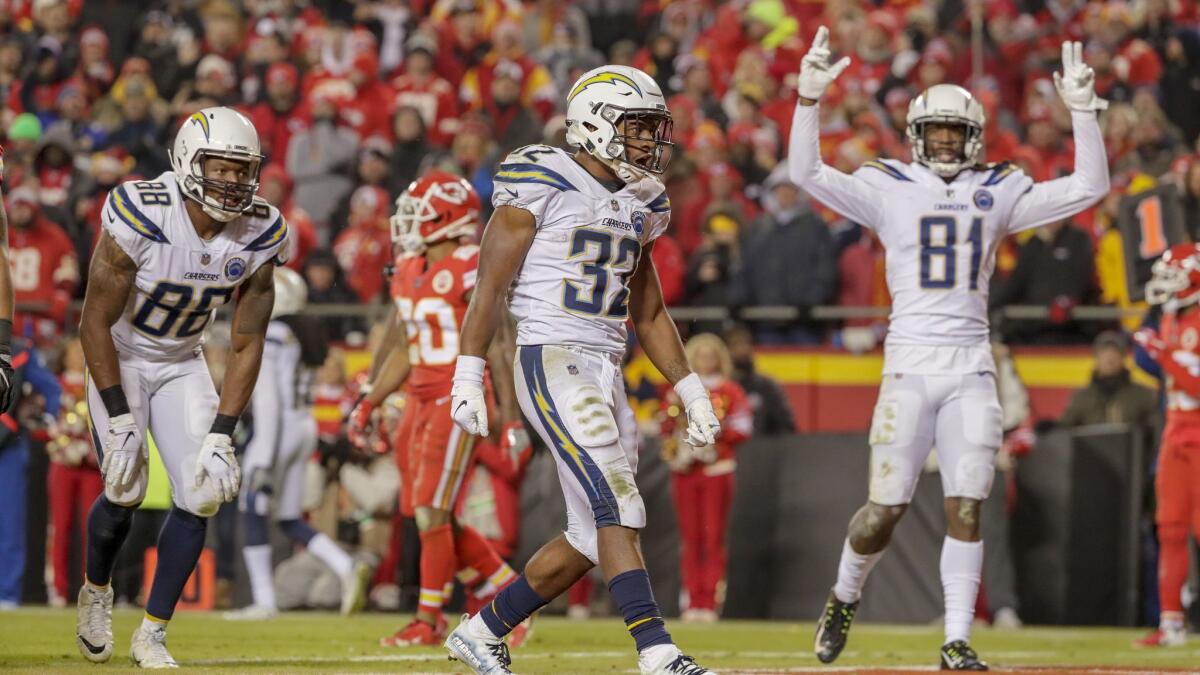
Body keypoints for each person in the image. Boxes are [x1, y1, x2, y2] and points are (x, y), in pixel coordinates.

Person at [790, 29, 1110, 670]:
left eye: (952, 133)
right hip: (908, 366)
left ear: (974, 137)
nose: (943, 143)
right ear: (915, 134)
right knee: (883, 512)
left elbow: (1087, 188)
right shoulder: (889, 185)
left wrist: (1083, 112)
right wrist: (807, 101)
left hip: (971, 367)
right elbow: (806, 172)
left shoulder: (998, 186)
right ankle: (844, 594)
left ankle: (956, 638)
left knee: (967, 502)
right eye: (934, 132)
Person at [443, 65, 722, 675]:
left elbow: (647, 310)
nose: (650, 142)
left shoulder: (646, 200)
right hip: (551, 355)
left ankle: (484, 630)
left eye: (654, 130)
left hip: (605, 366)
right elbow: (489, 288)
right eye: (638, 128)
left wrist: (690, 387)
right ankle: (656, 649)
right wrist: (468, 374)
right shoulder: (543, 174)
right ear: (595, 125)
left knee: (594, 534)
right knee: (620, 504)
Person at [74, 107, 287, 668]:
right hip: (120, 355)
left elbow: (246, 341)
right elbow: (92, 322)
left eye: (245, 171)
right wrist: (119, 415)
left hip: (182, 361)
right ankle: (96, 591)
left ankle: (153, 632)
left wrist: (224, 432)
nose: (235, 182)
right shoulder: (143, 211)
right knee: (124, 486)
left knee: (204, 491)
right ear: (188, 160)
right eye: (223, 167)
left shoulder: (261, 229)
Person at [347, 171, 524, 648]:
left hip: (458, 394)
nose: (406, 223)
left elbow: (500, 341)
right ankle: (508, 592)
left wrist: (509, 416)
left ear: (447, 218)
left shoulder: (471, 264)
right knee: (423, 510)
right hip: (420, 397)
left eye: (417, 213)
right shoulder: (408, 267)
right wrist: (371, 399)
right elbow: (406, 345)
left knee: (430, 509)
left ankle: (429, 619)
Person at [224, 267, 371, 621]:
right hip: (304, 427)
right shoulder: (302, 332)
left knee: (252, 507)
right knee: (289, 517)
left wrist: (260, 454)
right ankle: (344, 564)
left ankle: (264, 600)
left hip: (279, 431)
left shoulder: (274, 333)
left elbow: (269, 401)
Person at [1132, 243, 1200, 647]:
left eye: (1173, 278)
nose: (1164, 287)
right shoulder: (1173, 317)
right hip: (1175, 432)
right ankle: (1171, 621)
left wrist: (1165, 354)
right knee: (1170, 529)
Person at [659, 333, 752, 622]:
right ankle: (691, 599)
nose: (706, 361)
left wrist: (716, 437)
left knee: (713, 537)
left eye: (711, 356)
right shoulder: (677, 392)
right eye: (701, 356)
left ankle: (710, 601)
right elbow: (664, 424)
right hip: (685, 470)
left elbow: (743, 427)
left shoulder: (730, 391)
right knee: (690, 538)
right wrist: (678, 447)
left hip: (716, 468)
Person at [1059, 331, 1158, 428]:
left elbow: (1156, 427)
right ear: (1097, 358)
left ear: (1123, 358)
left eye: (1115, 353)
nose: (1110, 358)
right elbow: (1065, 428)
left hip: (1130, 443)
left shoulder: (1143, 395)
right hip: (1091, 444)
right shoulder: (1082, 397)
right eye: (1104, 353)